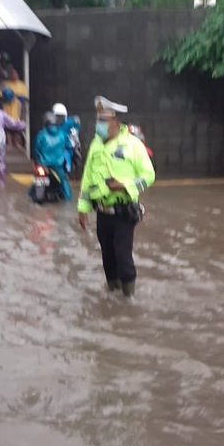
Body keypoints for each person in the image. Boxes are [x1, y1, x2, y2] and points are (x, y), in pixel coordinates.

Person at [78, 96, 155, 297]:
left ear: (116, 121)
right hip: (102, 212)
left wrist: (125, 186)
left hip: (123, 211)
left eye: (104, 120)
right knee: (107, 257)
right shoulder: (96, 144)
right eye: (98, 119)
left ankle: (129, 300)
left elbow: (149, 176)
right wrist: (83, 208)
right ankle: (113, 294)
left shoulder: (133, 145)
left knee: (123, 256)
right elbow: (87, 177)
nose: (99, 124)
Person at [34, 111, 72, 201]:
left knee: (37, 183)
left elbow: (36, 150)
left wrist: (40, 162)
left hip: (43, 166)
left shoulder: (41, 135)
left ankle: (35, 196)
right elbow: (69, 145)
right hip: (58, 167)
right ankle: (67, 200)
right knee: (64, 183)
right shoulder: (62, 134)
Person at [0, 67, 28, 148]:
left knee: (17, 127)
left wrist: (15, 96)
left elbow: (24, 96)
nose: (14, 75)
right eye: (12, 73)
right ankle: (9, 143)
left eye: (15, 73)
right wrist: (6, 96)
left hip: (17, 109)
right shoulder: (5, 84)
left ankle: (16, 143)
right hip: (7, 108)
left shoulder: (22, 85)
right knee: (7, 126)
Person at [52, 102, 81, 174]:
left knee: (76, 156)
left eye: (62, 116)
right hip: (54, 149)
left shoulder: (69, 123)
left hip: (67, 148)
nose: (60, 118)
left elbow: (75, 131)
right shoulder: (51, 125)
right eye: (58, 116)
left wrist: (74, 145)